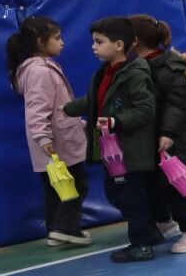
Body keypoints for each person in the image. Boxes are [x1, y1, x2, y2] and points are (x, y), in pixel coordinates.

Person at [63, 17, 158, 262]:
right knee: (117, 194)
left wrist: (117, 121)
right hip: (113, 151)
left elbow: (145, 109)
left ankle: (142, 244)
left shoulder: (135, 73)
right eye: (93, 42)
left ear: (118, 45)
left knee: (131, 197)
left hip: (132, 150)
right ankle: (150, 233)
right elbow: (97, 100)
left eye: (99, 42)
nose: (93, 47)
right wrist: (68, 108)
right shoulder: (104, 72)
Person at [130, 16, 186, 254]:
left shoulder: (169, 67)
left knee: (175, 185)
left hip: (174, 139)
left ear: (134, 40)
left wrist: (168, 132)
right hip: (153, 137)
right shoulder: (140, 66)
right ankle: (165, 222)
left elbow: (176, 104)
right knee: (155, 184)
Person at [8, 16, 90, 246]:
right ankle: (65, 228)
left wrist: (79, 124)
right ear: (40, 41)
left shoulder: (41, 68)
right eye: (57, 38)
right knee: (76, 184)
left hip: (56, 139)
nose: (62, 42)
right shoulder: (39, 71)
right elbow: (38, 109)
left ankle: (56, 231)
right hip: (56, 143)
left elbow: (57, 105)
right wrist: (44, 137)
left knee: (56, 188)